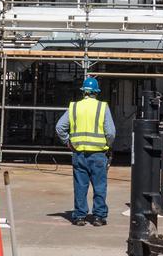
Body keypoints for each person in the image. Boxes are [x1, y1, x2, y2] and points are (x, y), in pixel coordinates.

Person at [55, 76, 115, 226]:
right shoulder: (102, 107)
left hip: (79, 153)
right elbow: (111, 133)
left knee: (80, 186)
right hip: (98, 154)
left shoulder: (74, 107)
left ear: (83, 92)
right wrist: (108, 144)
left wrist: (68, 142)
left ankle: (80, 216)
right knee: (99, 186)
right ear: (96, 92)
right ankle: (99, 217)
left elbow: (59, 127)